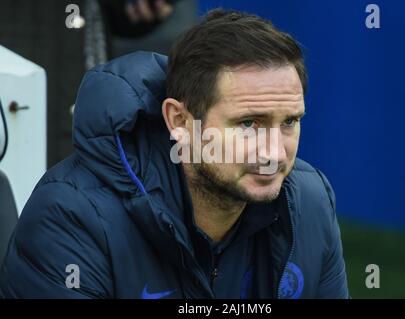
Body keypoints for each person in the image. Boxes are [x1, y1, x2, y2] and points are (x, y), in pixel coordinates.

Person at [0, 9, 349, 299]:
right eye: (248, 124)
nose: (273, 152)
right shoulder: (70, 217)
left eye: (289, 122)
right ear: (179, 121)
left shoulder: (309, 200)